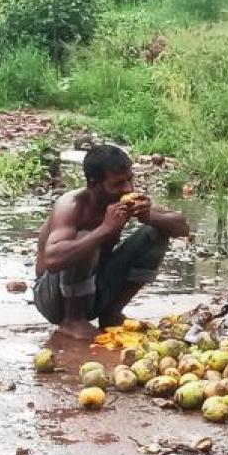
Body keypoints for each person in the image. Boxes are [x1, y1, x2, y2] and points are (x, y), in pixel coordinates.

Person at [33, 144, 189, 340]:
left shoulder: (125, 199)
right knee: (84, 237)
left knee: (155, 231)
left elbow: (182, 228)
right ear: (93, 183)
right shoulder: (72, 205)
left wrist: (149, 217)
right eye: (117, 184)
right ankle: (73, 321)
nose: (127, 189)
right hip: (55, 300)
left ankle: (111, 313)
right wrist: (104, 230)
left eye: (129, 180)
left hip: (95, 287)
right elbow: (52, 259)